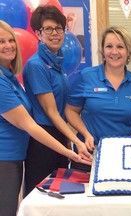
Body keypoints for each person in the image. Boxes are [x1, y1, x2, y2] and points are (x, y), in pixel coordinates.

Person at [0, 20, 90, 216]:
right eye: (1, 42)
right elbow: (33, 123)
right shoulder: (32, 67)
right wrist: (72, 149)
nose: (8, 45)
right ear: (38, 34)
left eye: (10, 40)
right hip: (9, 155)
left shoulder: (9, 76)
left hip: (19, 153)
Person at [23, 5, 92, 197]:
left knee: (59, 195)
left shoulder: (56, 63)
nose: (55, 33)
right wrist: (76, 140)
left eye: (59, 28)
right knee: (42, 196)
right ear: (38, 33)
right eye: (48, 29)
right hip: (44, 139)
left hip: (59, 135)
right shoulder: (37, 66)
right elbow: (52, 113)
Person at [65, 26, 131, 171]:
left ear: (128, 51)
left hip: (125, 156)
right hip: (89, 155)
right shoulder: (87, 76)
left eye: (120, 47)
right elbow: (71, 111)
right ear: (103, 50)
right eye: (109, 46)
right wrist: (86, 134)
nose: (114, 52)